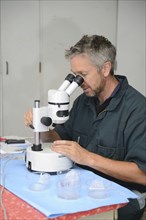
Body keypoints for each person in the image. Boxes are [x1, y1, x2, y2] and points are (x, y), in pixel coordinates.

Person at [24, 35, 146, 220]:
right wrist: (41, 127)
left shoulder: (138, 109)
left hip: (120, 199)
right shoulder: (83, 101)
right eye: (74, 76)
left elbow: (142, 175)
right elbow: (61, 136)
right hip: (82, 188)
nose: (77, 82)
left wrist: (87, 158)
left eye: (83, 75)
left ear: (105, 68)